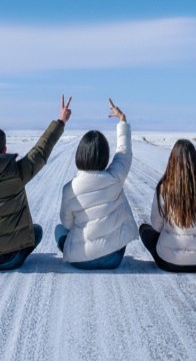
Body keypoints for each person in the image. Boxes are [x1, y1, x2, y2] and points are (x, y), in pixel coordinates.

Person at [0, 95, 72, 271]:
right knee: (36, 231)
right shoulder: (17, 172)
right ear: (5, 149)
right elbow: (41, 151)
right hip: (14, 258)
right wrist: (61, 121)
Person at [56, 99, 138, 269]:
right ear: (104, 156)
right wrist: (122, 120)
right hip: (113, 258)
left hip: (81, 260)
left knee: (59, 230)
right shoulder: (115, 177)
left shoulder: (69, 189)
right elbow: (124, 152)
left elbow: (67, 223)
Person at [139, 139, 196, 272]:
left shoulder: (164, 188)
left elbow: (157, 225)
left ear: (172, 161)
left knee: (145, 230)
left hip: (169, 262)